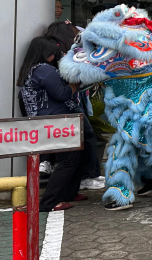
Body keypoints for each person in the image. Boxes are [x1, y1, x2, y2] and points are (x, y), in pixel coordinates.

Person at [17, 37, 85, 211]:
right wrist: (74, 84)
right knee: (68, 160)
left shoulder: (30, 70)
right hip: (56, 122)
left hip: (46, 122)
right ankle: (49, 202)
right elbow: (62, 94)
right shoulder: (44, 69)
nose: (55, 56)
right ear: (45, 52)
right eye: (52, 52)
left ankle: (68, 194)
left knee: (74, 156)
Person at [44, 21, 104, 191]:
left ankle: (83, 176)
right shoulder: (64, 54)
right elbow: (73, 81)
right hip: (68, 104)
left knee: (78, 141)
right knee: (86, 138)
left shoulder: (52, 51)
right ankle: (88, 176)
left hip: (58, 105)